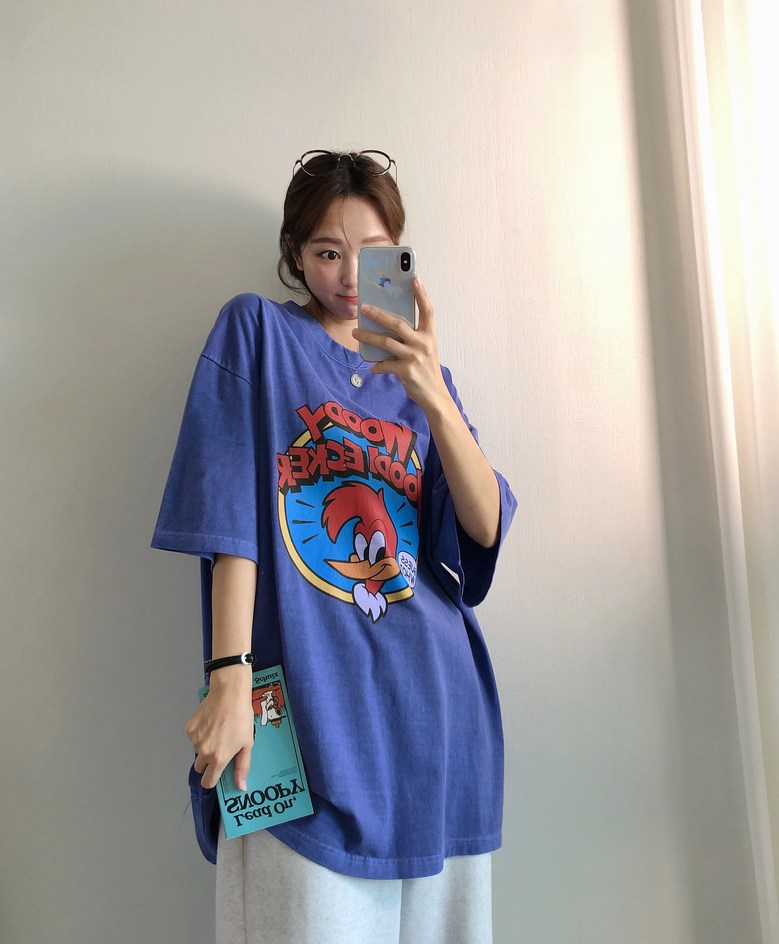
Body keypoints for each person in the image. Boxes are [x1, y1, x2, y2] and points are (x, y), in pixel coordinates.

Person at [151, 149, 516, 944]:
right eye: (326, 252)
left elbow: (483, 527)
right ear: (294, 253)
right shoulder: (257, 332)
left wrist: (432, 393)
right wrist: (228, 675)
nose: (350, 276)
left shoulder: (422, 377)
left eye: (372, 254)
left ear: (400, 258)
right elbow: (232, 519)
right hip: (309, 718)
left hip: (436, 720)